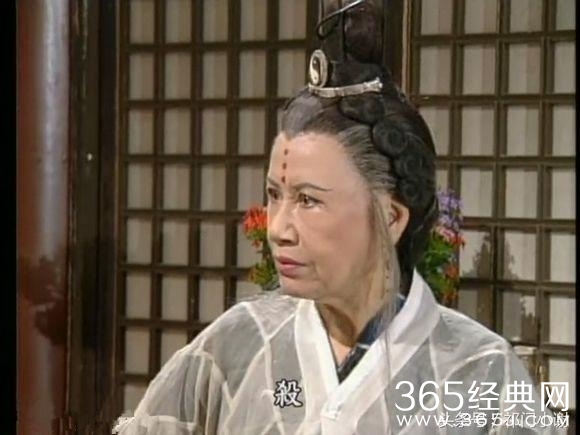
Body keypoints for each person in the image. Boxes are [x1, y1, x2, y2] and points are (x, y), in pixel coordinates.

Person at [113, 1, 565, 434]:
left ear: (391, 218)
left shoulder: (482, 371)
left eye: (308, 200)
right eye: (274, 195)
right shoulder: (235, 343)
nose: (278, 229)